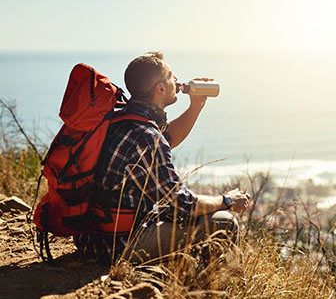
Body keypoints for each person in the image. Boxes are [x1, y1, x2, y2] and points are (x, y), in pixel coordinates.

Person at [74, 51, 250, 264]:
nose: (177, 80)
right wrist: (227, 201)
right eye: (171, 76)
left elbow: (167, 138)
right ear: (160, 88)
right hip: (118, 246)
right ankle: (218, 287)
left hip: (90, 238)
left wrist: (195, 107)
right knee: (225, 222)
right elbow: (183, 205)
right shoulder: (147, 137)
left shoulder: (119, 118)